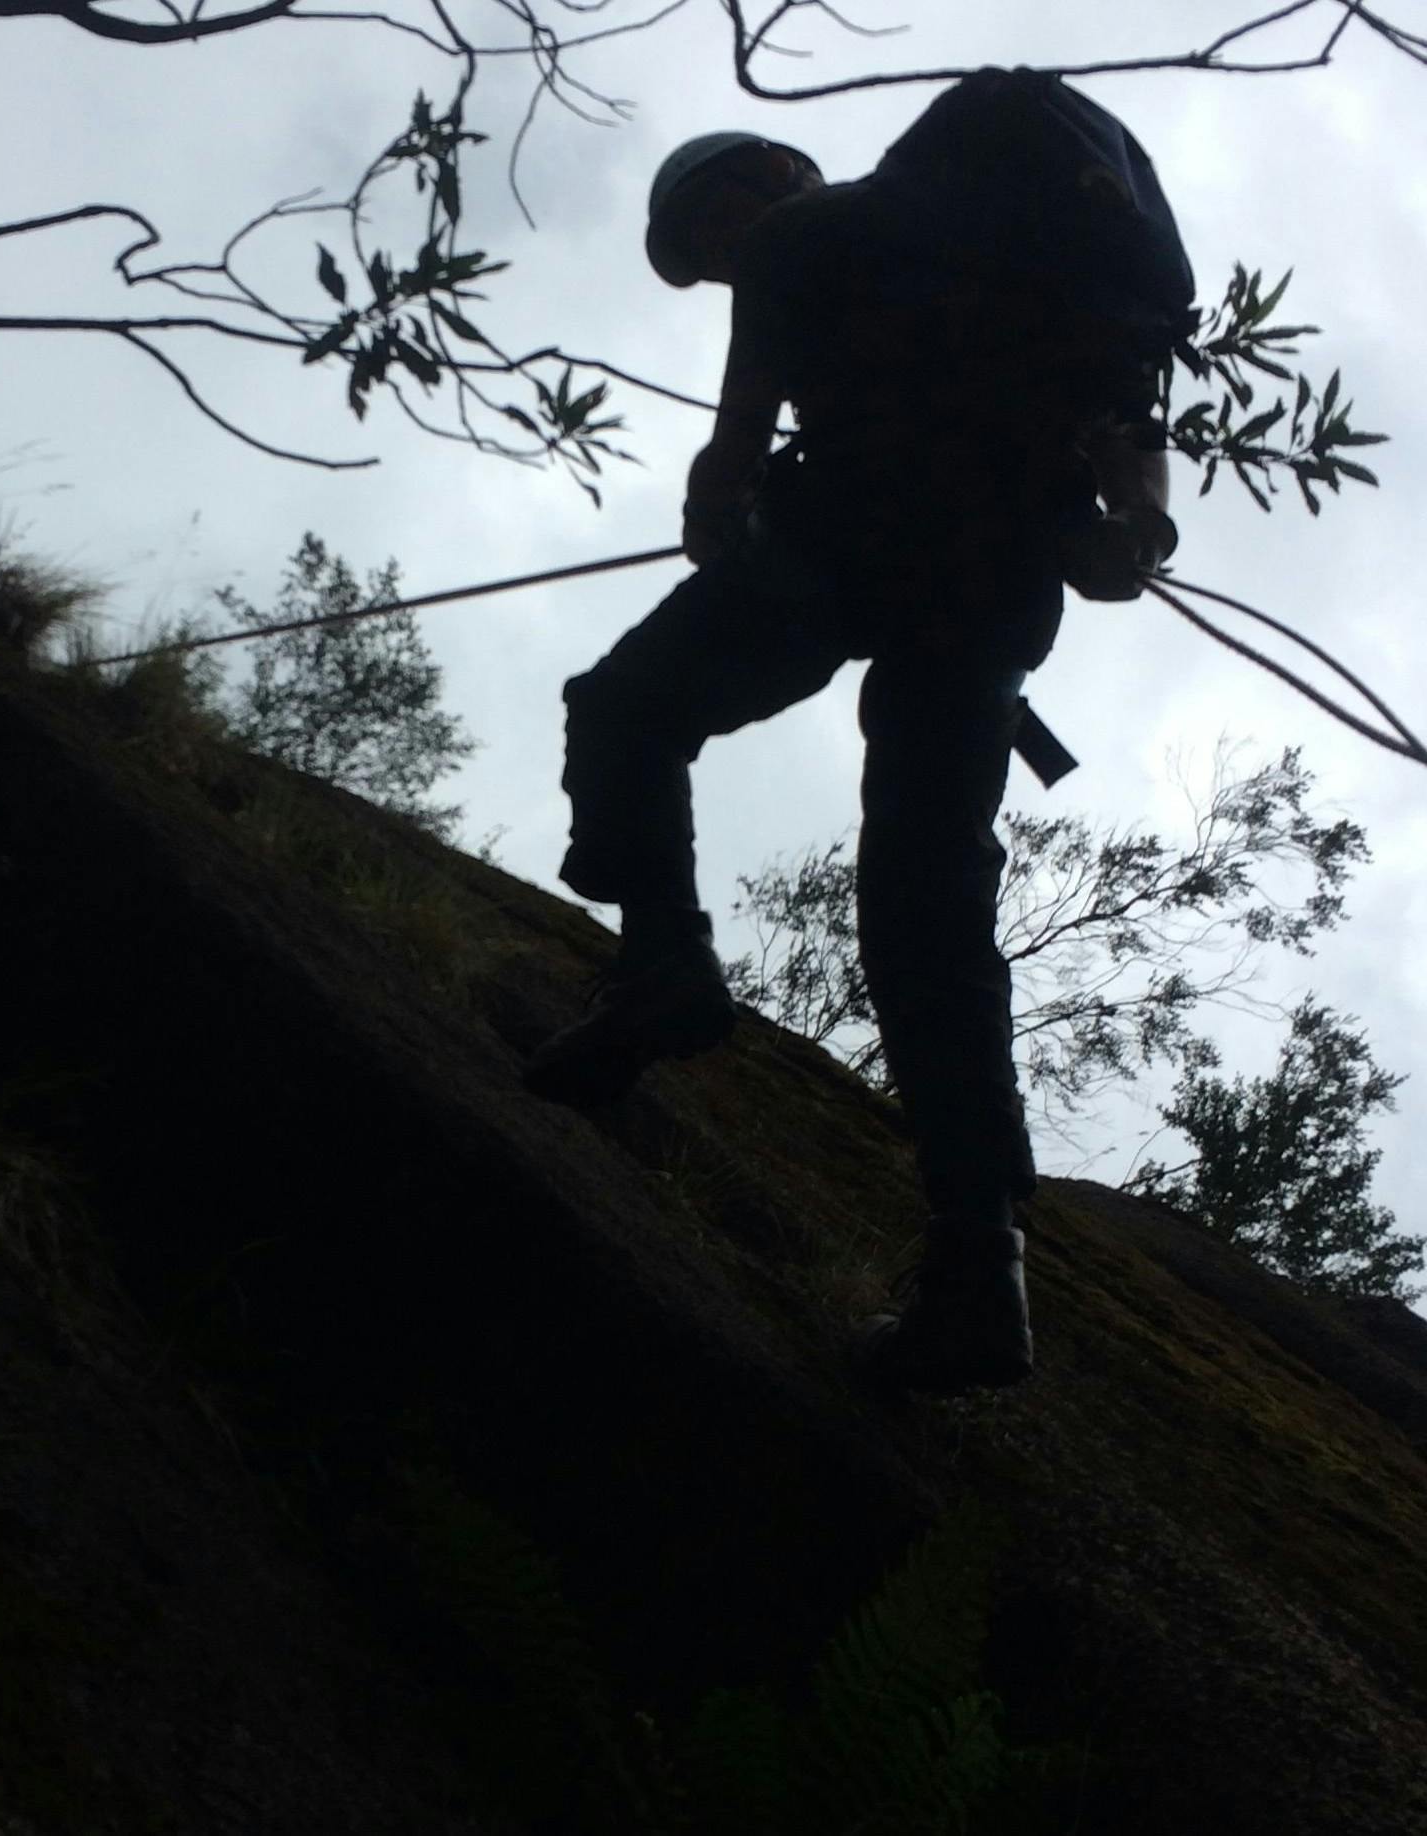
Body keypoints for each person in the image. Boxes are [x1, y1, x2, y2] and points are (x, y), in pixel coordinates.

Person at [522, 84, 1185, 1396]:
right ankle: (976, 1268)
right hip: (988, 583)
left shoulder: (799, 245)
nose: (718, 254)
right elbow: (1129, 459)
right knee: (929, 916)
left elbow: (728, 463)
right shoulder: (1019, 272)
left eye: (708, 230)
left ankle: (662, 970)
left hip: (843, 549)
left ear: (767, 175)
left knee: (626, 711)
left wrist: (722, 514)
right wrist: (1136, 537)